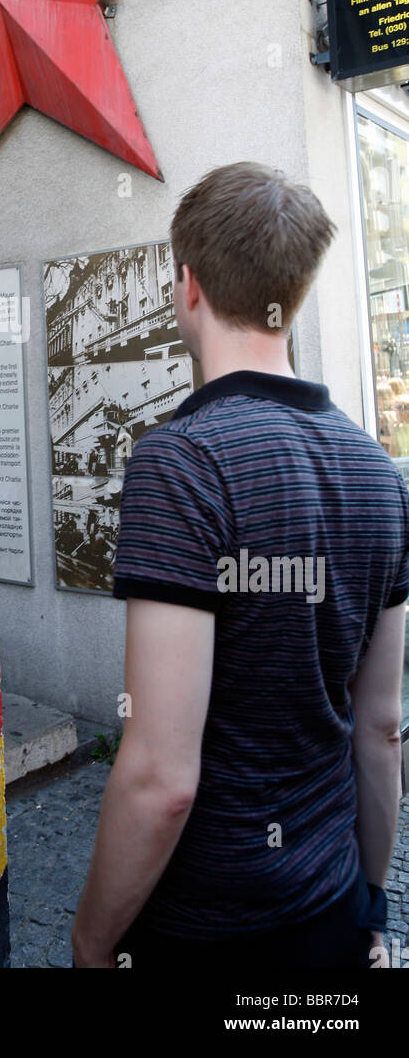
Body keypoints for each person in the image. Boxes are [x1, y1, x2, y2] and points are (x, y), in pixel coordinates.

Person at [72, 161, 408, 970]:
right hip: (329, 910)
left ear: (187, 286)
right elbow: (383, 728)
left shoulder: (180, 464)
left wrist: (88, 944)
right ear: (294, 291)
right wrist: (369, 902)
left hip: (204, 928)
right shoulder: (380, 473)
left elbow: (160, 777)